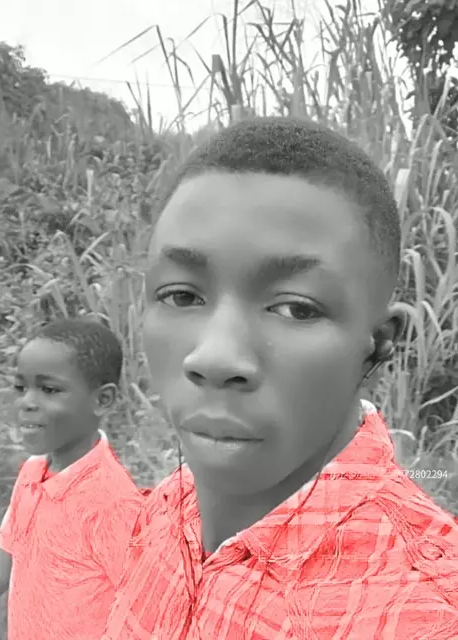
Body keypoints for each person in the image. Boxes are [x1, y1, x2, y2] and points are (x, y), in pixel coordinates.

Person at [102, 116, 458, 640]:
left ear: (380, 344)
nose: (213, 356)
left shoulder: (425, 613)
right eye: (181, 296)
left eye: (295, 308)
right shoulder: (163, 510)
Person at [0, 318, 148, 640]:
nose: (27, 402)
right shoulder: (32, 474)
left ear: (102, 400)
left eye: (49, 390)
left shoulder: (114, 505)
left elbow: (143, 617)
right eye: (21, 388)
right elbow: (2, 567)